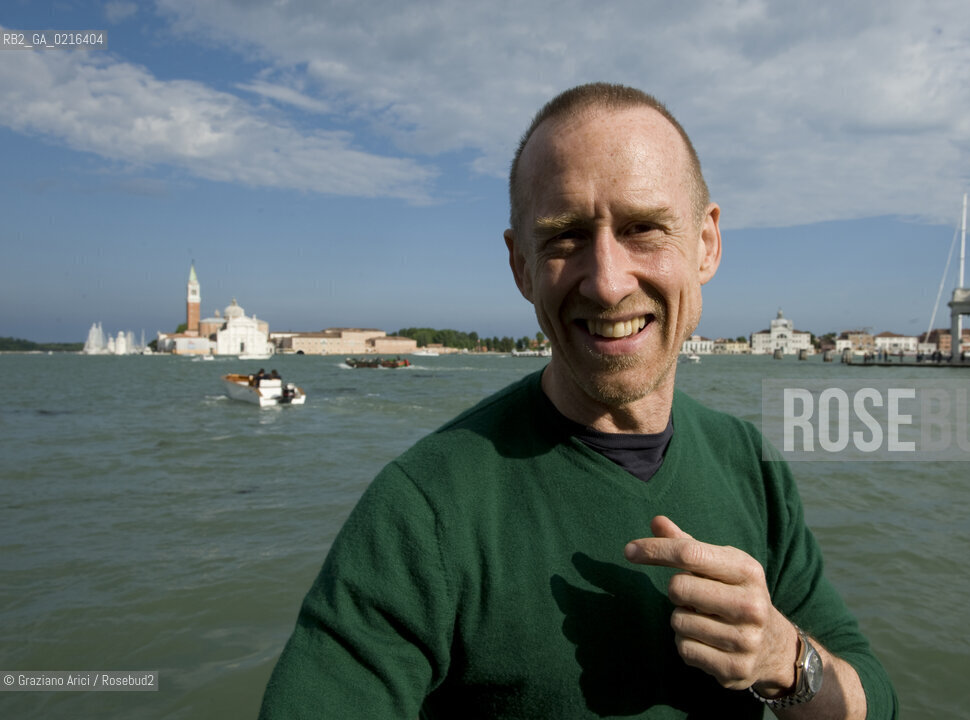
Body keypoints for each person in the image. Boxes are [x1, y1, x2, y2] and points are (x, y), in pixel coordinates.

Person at [259, 83, 897, 718]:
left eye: (643, 228)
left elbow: (876, 701)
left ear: (706, 244)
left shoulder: (749, 465)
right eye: (565, 237)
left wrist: (785, 661)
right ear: (521, 266)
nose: (609, 281)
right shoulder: (424, 508)